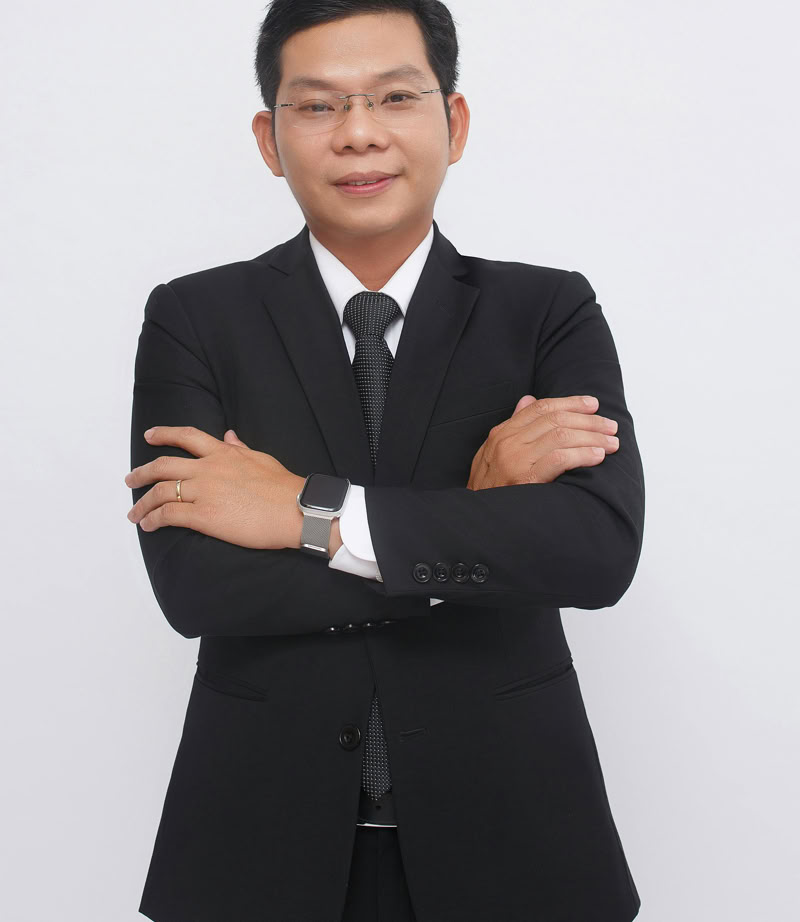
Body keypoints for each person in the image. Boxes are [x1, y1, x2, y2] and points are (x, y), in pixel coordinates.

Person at [126, 2, 645, 920]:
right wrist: (475, 519)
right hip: (257, 842)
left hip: (517, 837)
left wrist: (302, 514)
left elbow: (594, 554)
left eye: (394, 97)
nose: (359, 134)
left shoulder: (548, 312)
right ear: (269, 138)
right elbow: (198, 588)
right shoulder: (195, 320)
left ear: (454, 121)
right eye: (318, 106)